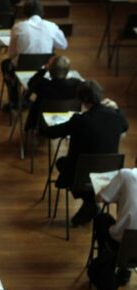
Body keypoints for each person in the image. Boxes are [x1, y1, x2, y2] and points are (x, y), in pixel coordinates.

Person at [43, 80, 129, 226]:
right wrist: (116, 108)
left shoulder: (80, 120)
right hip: (108, 173)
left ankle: (90, 205)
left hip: (81, 176)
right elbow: (125, 125)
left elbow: (52, 133)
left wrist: (43, 123)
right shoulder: (116, 116)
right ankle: (90, 206)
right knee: (83, 169)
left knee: (61, 163)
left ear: (83, 100)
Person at [1, 0, 67, 108]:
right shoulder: (51, 26)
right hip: (45, 67)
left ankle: (15, 100)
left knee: (5, 64)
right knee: (40, 69)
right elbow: (63, 45)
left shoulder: (18, 27)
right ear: (42, 12)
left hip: (22, 66)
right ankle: (26, 96)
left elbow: (11, 54)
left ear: (25, 12)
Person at [89, 168, 137, 290]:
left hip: (123, 241)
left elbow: (100, 198)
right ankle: (122, 270)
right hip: (132, 245)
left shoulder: (126, 175)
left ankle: (108, 263)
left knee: (101, 219)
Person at [24, 55, 81, 131]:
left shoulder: (43, 85)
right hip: (67, 120)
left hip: (42, 120)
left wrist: (44, 69)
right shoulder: (76, 84)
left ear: (50, 70)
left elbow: (31, 83)